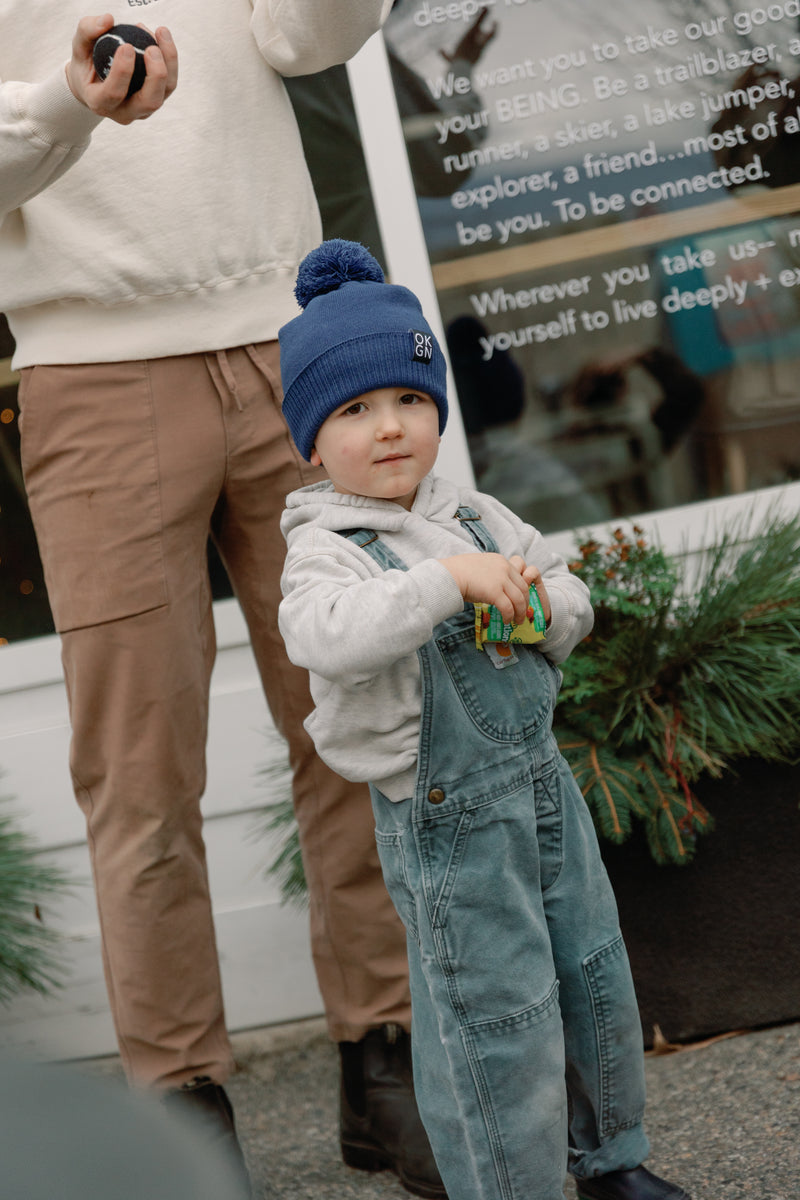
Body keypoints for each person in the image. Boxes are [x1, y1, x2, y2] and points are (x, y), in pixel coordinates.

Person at [0, 9, 445, 1197]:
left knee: (353, 708)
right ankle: (182, 1102)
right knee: (139, 769)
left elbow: (307, 36)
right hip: (90, 376)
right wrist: (70, 103)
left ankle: (386, 1053)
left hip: (287, 346)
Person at [277, 239, 693, 1200]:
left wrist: (544, 606)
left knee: (591, 970)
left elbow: (567, 591)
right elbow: (325, 636)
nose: (390, 426)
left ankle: (611, 1160)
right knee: (494, 1012)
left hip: (542, 784)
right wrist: (444, 583)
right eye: (354, 410)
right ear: (311, 441)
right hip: (443, 819)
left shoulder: (476, 515)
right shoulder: (327, 549)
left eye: (409, 399)